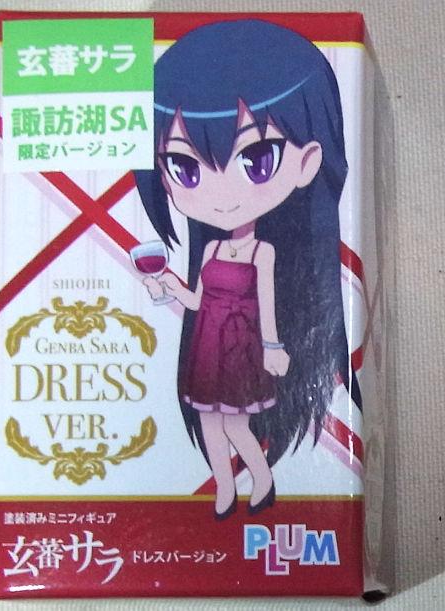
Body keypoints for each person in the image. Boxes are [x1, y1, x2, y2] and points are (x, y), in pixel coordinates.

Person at [134, 19, 361, 519]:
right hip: (207, 346)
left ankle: (261, 480)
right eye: (184, 167)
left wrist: (274, 349)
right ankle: (224, 488)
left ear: (307, 162)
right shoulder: (211, 250)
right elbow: (198, 301)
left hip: (242, 350)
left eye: (257, 159)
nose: (220, 196)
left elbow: (268, 305)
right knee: (210, 423)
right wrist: (167, 287)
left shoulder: (263, 253)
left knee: (236, 424)